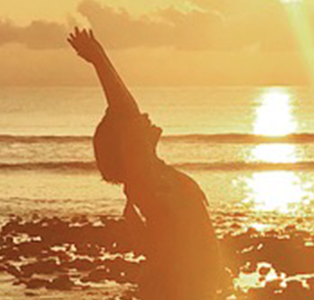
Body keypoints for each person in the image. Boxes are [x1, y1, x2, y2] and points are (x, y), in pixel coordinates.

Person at [68, 28, 227, 300]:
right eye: (133, 128)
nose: (145, 118)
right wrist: (100, 59)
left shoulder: (149, 176)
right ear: (128, 145)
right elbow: (125, 109)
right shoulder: (144, 177)